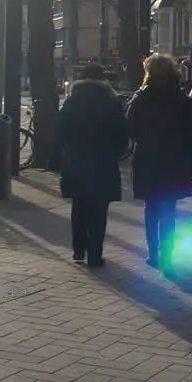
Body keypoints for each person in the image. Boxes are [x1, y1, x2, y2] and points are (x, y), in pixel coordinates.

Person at [127, 54, 192, 274]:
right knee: (170, 209)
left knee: (151, 208)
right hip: (175, 161)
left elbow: (130, 130)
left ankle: (153, 254)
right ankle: (167, 254)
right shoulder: (183, 102)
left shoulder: (140, 99)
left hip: (148, 160)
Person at [51, 63, 128, 268]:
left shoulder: (72, 101)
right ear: (103, 80)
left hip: (77, 162)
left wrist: (60, 156)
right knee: (99, 211)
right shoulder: (111, 102)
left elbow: (59, 132)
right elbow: (122, 135)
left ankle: (78, 250)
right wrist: (116, 153)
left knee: (79, 207)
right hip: (103, 163)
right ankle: (95, 255)